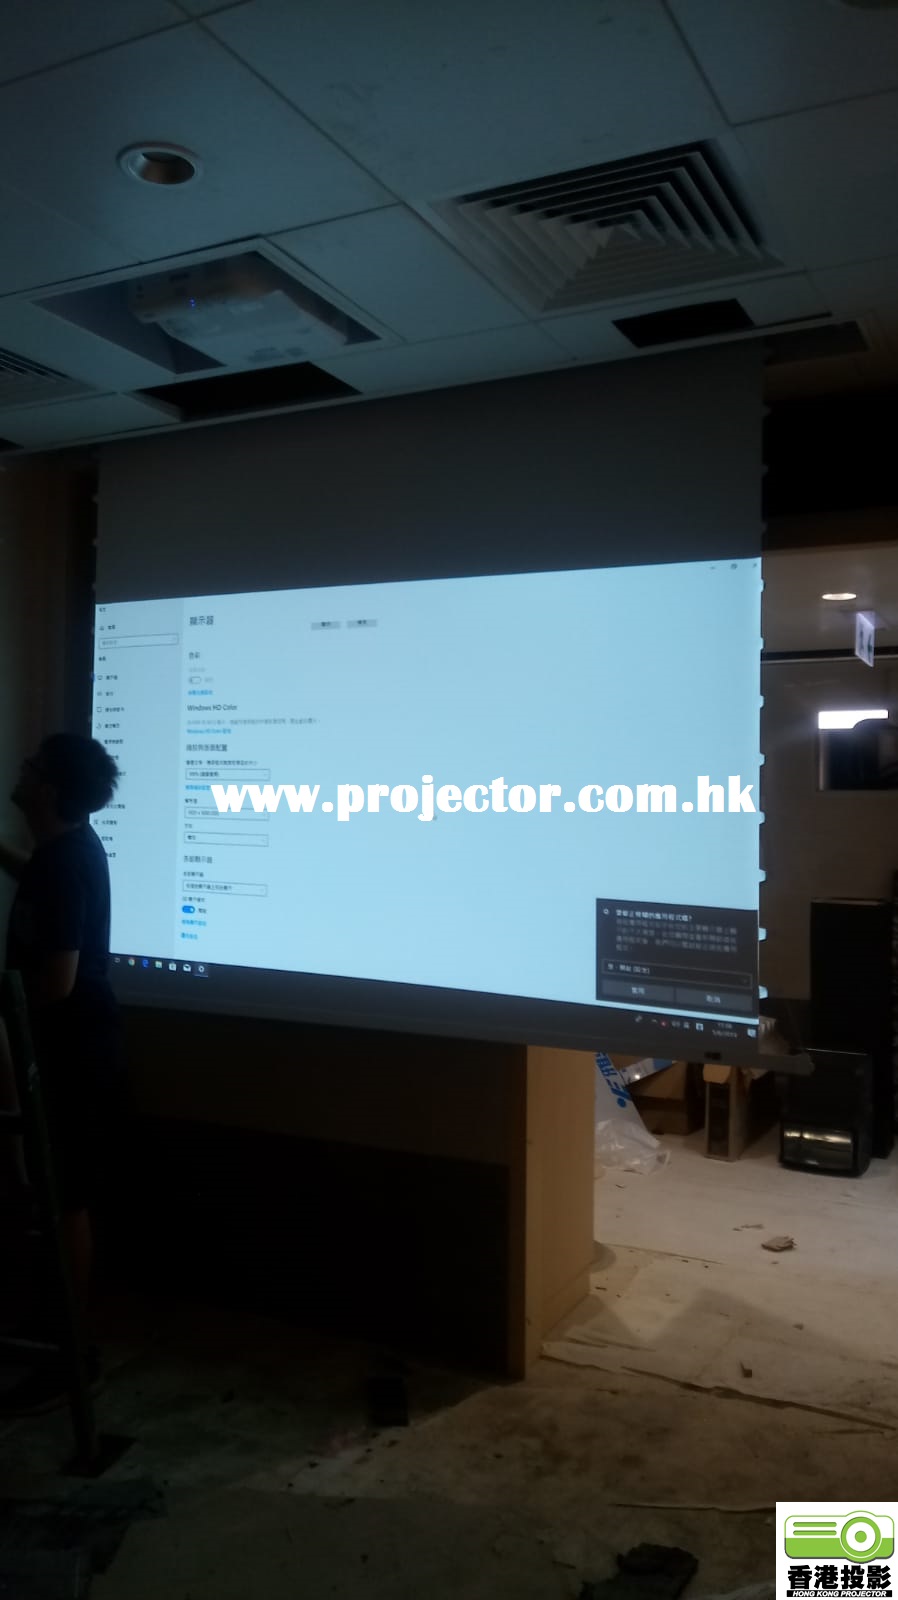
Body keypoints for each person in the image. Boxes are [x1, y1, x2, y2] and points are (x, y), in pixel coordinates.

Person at [0, 733, 124, 1415]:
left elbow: (58, 981)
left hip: (73, 1049)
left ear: (49, 790)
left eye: (32, 767)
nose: (21, 772)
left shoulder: (68, 862)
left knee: (67, 1196)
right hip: (66, 1044)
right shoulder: (60, 852)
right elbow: (46, 896)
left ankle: (73, 1351)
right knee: (57, 1192)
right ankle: (58, 1329)